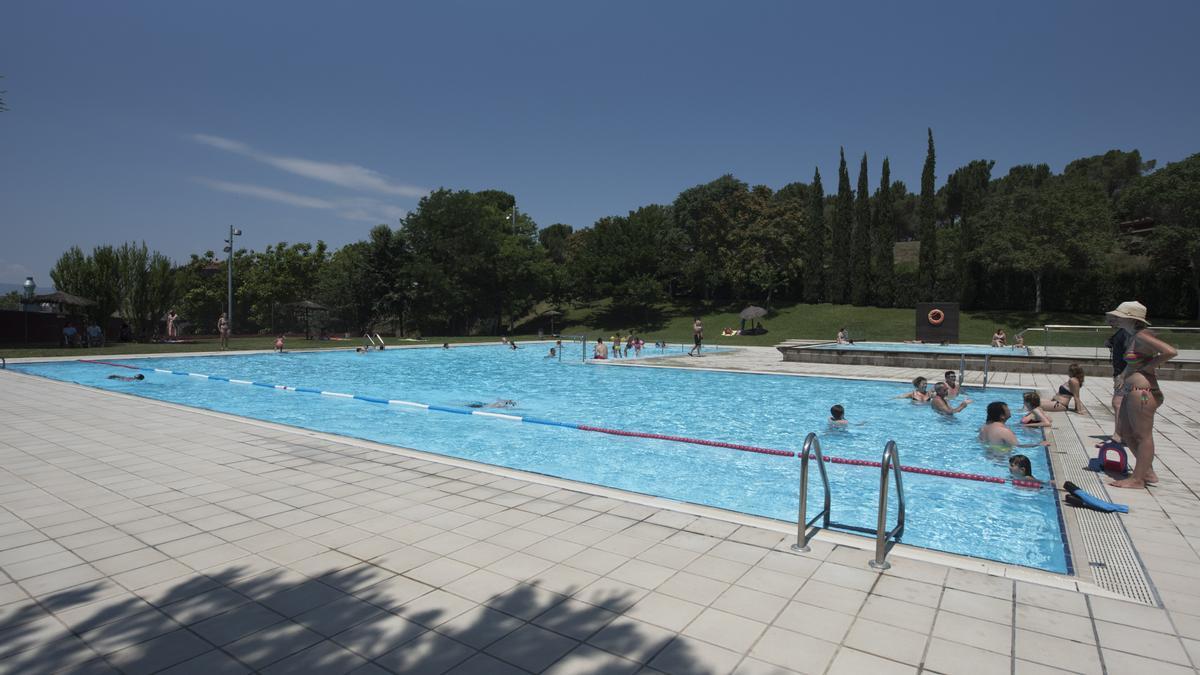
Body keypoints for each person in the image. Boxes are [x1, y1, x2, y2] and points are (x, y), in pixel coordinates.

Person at [1108, 301, 1176, 489]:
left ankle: (1138, 480)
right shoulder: (1131, 336)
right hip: (1133, 391)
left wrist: (1148, 367)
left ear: (1129, 318)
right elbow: (1134, 361)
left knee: (1142, 435)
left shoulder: (1142, 335)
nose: (1114, 318)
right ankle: (1147, 471)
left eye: (1118, 316)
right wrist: (1123, 375)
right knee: (1126, 433)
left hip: (1144, 394)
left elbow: (1170, 351)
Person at [1103, 311, 1131, 444]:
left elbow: (1133, 357)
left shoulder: (1127, 333)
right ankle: (1124, 434)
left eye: (1111, 320)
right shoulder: (1123, 332)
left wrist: (1122, 375)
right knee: (1124, 404)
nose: (1109, 323)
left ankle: (1118, 435)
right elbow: (1109, 342)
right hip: (1124, 373)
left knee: (1118, 403)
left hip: (1125, 375)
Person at [978, 402, 1050, 452]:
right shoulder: (1004, 431)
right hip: (1001, 460)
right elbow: (1018, 446)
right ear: (1002, 416)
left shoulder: (983, 428)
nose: (1010, 410)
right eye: (1008, 409)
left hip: (987, 457)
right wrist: (1038, 444)